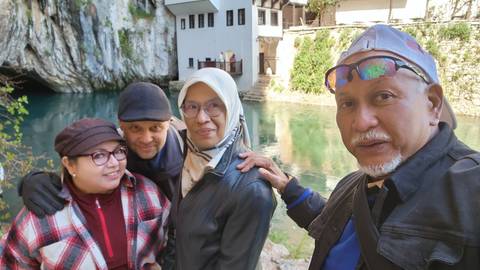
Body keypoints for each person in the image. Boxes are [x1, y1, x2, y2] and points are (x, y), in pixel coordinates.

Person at [238, 24, 480, 269]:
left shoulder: (471, 193)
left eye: (383, 96)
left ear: (432, 104)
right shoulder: (354, 185)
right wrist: (288, 187)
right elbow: (334, 224)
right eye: (347, 103)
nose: (361, 122)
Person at [18, 82, 184, 269]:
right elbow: (81, 161)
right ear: (122, 126)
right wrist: (34, 180)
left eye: (155, 128)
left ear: (169, 123)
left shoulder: (190, 148)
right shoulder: (113, 147)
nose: (146, 138)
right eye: (135, 128)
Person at [0, 118, 170, 269]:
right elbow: (12, 262)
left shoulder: (147, 192)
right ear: (70, 165)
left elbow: (173, 243)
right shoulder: (41, 215)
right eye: (99, 155)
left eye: (118, 151)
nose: (114, 163)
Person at [174, 67, 276, 269]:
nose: (201, 118)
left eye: (214, 106)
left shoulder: (252, 189)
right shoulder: (190, 155)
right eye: (192, 106)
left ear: (230, 108)